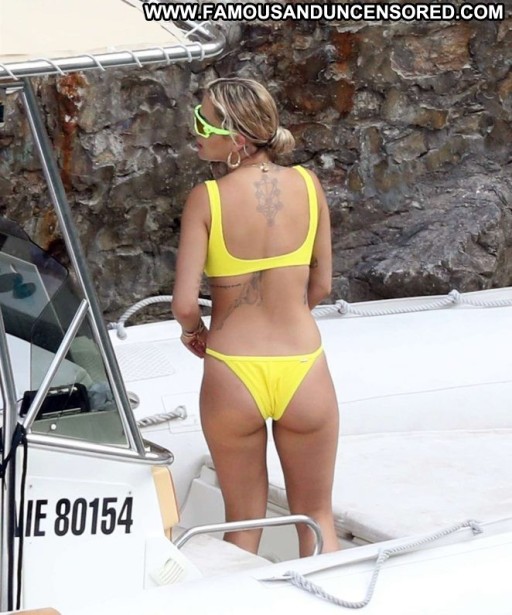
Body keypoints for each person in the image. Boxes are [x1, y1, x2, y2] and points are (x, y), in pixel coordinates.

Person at [171, 77, 339, 556]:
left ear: (238, 137)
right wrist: (288, 312)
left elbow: (184, 304)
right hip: (303, 364)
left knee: (243, 524)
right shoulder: (308, 185)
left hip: (233, 369)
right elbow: (322, 286)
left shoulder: (207, 198)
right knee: (317, 517)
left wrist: (194, 332)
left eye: (204, 122)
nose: (195, 130)